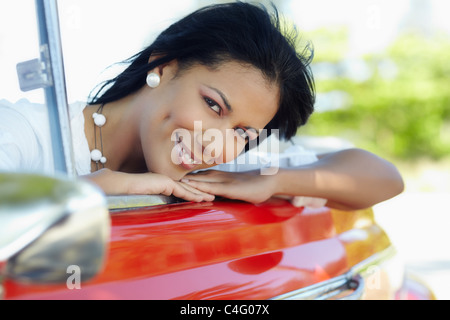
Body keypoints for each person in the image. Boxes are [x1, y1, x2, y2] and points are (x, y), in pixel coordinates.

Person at [0, 2, 403, 210]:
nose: (217, 144)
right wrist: (91, 190)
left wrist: (274, 180)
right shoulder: (25, 132)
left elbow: (382, 176)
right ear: (162, 67)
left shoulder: (222, 169)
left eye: (244, 134)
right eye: (213, 105)